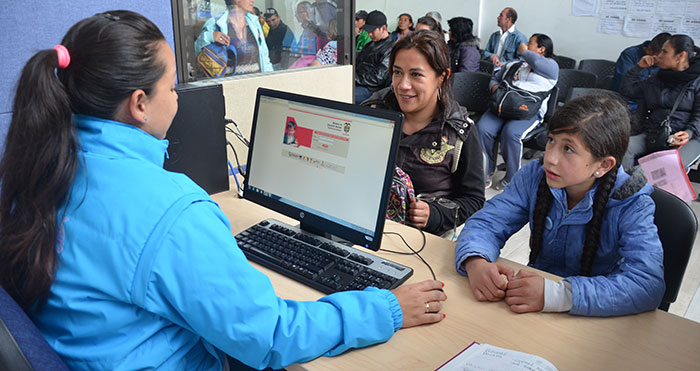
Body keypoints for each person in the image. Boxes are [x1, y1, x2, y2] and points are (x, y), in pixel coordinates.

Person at [0, 10, 447, 370]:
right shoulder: (173, 212)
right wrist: (385, 309)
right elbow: (270, 336)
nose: (177, 97)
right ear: (139, 104)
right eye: (172, 86)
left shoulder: (37, 167)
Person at [455, 93, 665, 317]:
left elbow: (646, 284)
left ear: (603, 165)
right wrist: (476, 260)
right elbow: (488, 223)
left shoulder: (631, 201)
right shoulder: (535, 176)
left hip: (595, 315)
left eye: (568, 149)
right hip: (533, 306)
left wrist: (556, 294)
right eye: (551, 140)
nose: (550, 158)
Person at [362, 31, 485, 237]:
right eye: (397, 72)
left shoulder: (459, 133)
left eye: (416, 74)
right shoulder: (374, 112)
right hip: (367, 226)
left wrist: (436, 215)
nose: (403, 85)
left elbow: (473, 200)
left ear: (441, 77)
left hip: (423, 240)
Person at [479, 34, 559, 190]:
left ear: (542, 49)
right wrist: (495, 89)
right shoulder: (516, 64)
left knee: (511, 133)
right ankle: (486, 170)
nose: (525, 45)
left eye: (530, 43)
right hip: (503, 106)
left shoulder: (551, 67)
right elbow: (495, 78)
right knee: (483, 129)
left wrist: (524, 51)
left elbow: (535, 61)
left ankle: (512, 177)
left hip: (528, 112)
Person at [620, 34, 700, 171]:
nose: (659, 55)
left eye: (665, 52)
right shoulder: (658, 78)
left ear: (680, 56)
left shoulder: (696, 81)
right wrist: (639, 67)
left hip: (687, 137)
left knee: (666, 168)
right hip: (655, 134)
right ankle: (626, 187)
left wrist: (689, 132)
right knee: (624, 148)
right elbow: (628, 90)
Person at [194, 0, 273, 76]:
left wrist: (270, 80)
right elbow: (196, 50)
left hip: (255, 83)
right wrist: (210, 37)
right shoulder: (215, 23)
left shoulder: (255, 23)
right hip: (228, 84)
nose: (253, 0)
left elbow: (265, 58)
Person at [354, 10, 395, 104]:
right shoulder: (370, 44)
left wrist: (354, 78)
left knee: (343, 96)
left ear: (383, 28)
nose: (369, 34)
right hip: (359, 81)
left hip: (371, 89)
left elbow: (378, 78)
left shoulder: (390, 48)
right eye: (368, 31)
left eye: (372, 31)